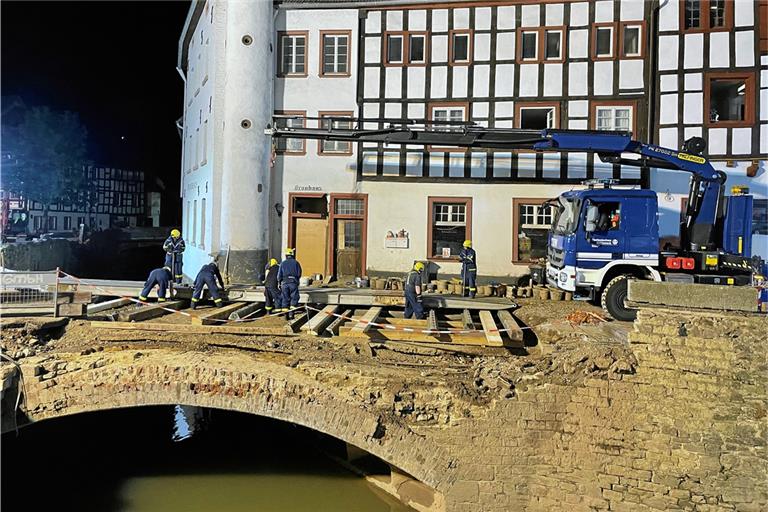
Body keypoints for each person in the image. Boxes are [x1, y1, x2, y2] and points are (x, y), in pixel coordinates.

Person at [277, 248, 302, 319]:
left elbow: (279, 275)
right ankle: (291, 313)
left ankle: (285, 314)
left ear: (286, 255)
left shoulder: (283, 263)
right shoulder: (296, 263)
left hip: (284, 283)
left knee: (285, 298)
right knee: (294, 297)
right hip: (293, 282)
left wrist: (279, 282)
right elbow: (299, 273)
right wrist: (296, 280)